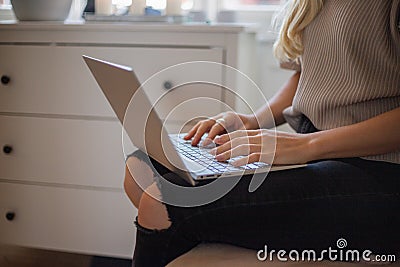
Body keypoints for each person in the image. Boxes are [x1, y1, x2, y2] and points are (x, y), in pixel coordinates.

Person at [124, 0, 400, 266]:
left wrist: (307, 145)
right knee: (142, 169)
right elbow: (308, 74)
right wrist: (254, 120)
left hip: (380, 167)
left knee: (162, 200)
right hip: (319, 151)